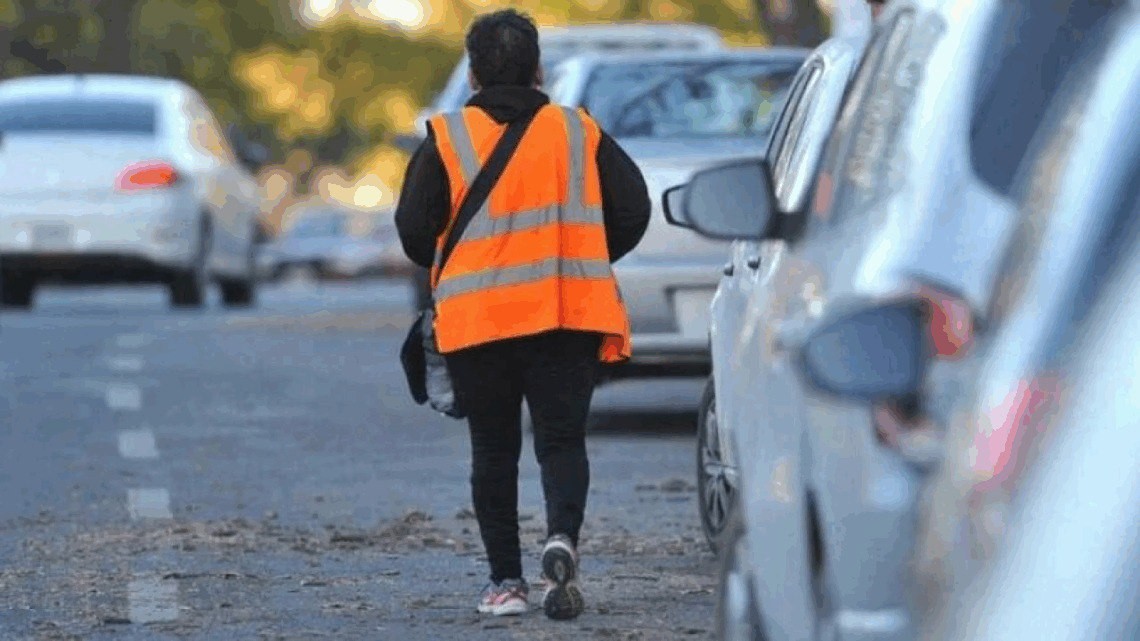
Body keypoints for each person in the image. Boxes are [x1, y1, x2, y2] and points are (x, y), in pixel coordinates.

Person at [394, 8, 651, 621]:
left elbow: (411, 231)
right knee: (561, 441)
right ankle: (561, 538)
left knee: (493, 448)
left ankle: (505, 583)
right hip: (566, 312)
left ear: (475, 72)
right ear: (539, 70)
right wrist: (581, 252)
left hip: (478, 322)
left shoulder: (448, 138)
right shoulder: (576, 130)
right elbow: (635, 208)